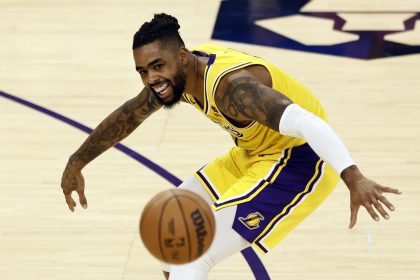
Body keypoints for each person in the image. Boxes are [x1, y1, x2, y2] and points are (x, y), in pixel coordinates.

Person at [60, 13, 401, 280]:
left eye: (157, 67)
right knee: (167, 238)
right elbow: (131, 114)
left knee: (191, 251)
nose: (151, 79)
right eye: (142, 71)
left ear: (181, 55)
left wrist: (353, 177)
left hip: (299, 161)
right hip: (254, 153)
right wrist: (78, 160)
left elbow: (311, 124)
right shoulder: (177, 76)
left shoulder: (233, 90)